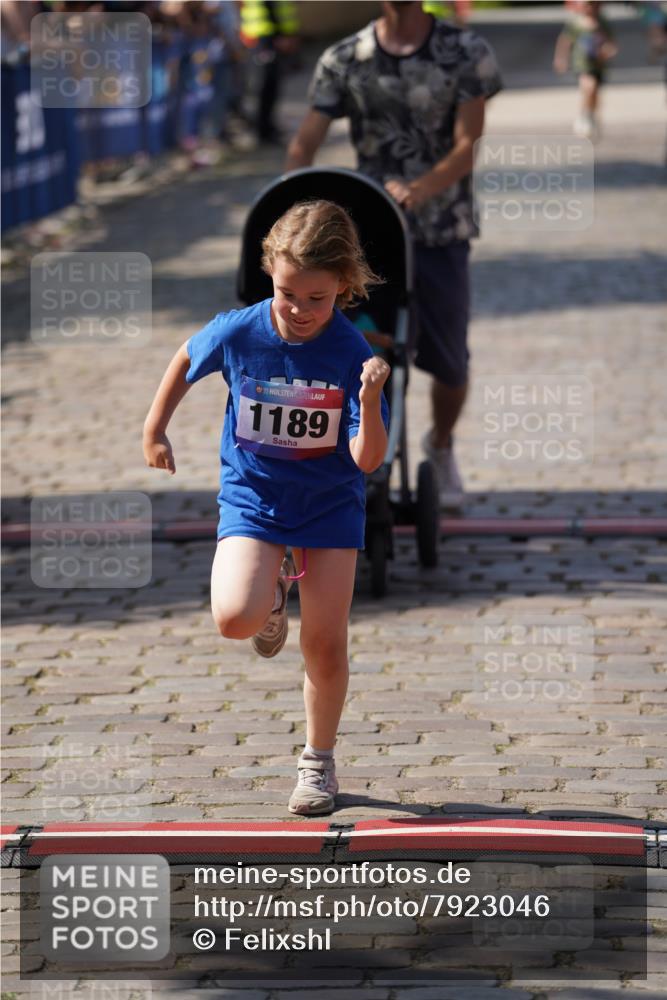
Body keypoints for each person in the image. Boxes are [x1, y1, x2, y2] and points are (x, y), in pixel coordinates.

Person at [143, 200, 390, 816]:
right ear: (268, 276)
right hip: (254, 499)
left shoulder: (349, 350)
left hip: (330, 507)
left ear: (343, 287)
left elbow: (366, 460)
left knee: (326, 646)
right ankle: (274, 589)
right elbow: (184, 358)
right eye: (288, 294)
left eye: (317, 298)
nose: (301, 311)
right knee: (233, 620)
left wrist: (371, 399)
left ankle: (318, 763)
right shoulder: (239, 329)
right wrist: (155, 428)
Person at [286, 0, 502, 508]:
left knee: (450, 361)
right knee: (361, 346)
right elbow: (305, 144)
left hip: (439, 228)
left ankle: (441, 445)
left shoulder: (464, 51)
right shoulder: (346, 57)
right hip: (370, 232)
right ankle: (354, 451)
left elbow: (470, 141)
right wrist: (295, 210)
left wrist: (421, 188)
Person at [554, 1, 618, 139]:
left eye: (592, 5)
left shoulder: (601, 22)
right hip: (581, 64)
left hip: (598, 64)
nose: (589, 8)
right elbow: (565, 41)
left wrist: (608, 51)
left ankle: (592, 115)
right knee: (588, 87)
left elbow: (610, 42)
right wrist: (561, 59)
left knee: (595, 94)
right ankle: (584, 115)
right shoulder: (576, 23)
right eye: (586, 5)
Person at [239, 0, 300, 143]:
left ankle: (267, 128)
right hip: (266, 38)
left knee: (270, 85)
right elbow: (269, 6)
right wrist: (282, 35)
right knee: (265, 86)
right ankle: (263, 131)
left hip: (266, 37)